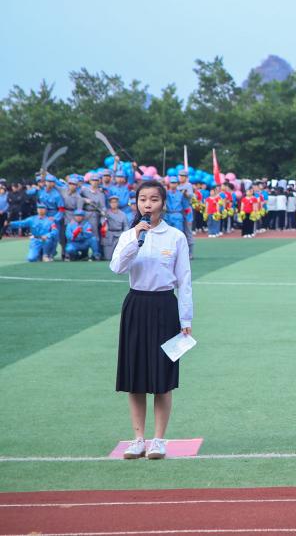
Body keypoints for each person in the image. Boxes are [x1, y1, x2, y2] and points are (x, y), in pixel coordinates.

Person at [108, 180, 194, 460]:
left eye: (154, 199)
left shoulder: (175, 237)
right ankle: (137, 439)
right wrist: (135, 238)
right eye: (143, 199)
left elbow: (184, 280)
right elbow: (117, 267)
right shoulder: (129, 235)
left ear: (163, 204)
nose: (148, 204)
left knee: (162, 377)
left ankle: (158, 440)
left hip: (165, 306)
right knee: (135, 375)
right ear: (136, 203)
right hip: (136, 305)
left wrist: (186, 317)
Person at [103, 195, 130, 261]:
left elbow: (126, 226)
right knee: (108, 257)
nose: (113, 204)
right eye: (112, 202)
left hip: (119, 234)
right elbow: (102, 222)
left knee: (120, 256)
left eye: (115, 202)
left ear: (118, 203)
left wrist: (124, 235)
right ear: (109, 203)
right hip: (109, 235)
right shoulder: (106, 213)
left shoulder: (123, 214)